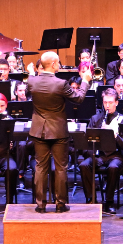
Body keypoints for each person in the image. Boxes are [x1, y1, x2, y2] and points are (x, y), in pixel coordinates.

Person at [28, 51, 92, 212]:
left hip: (39, 130)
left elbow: (31, 82)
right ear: (53, 64)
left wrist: (30, 73)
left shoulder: (32, 81)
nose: (59, 64)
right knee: (61, 167)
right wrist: (85, 80)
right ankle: (60, 204)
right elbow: (78, 98)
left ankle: (40, 205)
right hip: (58, 131)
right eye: (58, 62)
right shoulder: (61, 84)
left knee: (40, 167)